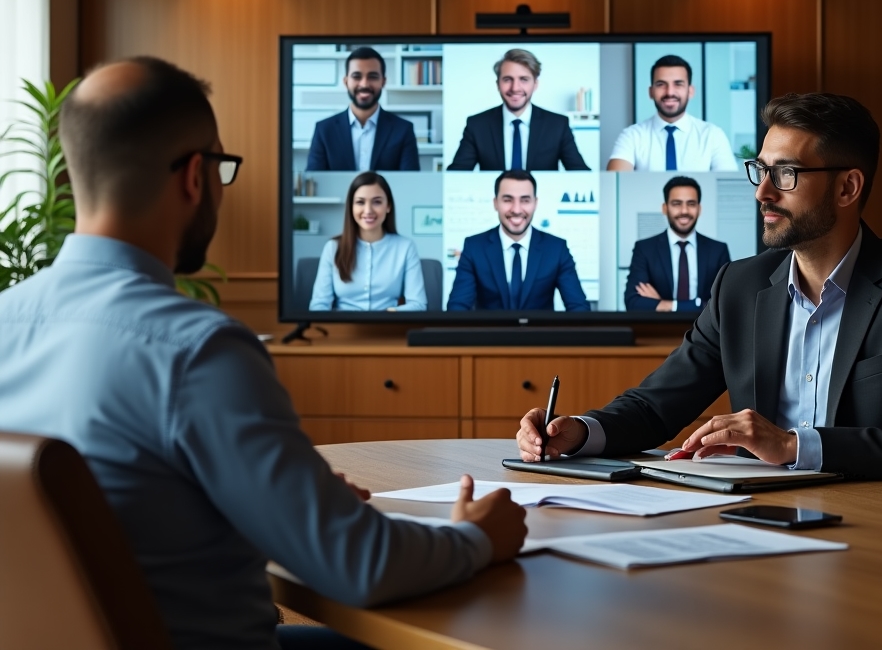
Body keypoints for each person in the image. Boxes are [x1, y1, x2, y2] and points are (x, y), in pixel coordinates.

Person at [0, 57, 527, 650]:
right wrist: (478, 536)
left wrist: (292, 492)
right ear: (195, 177)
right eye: (223, 169)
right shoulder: (198, 351)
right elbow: (360, 565)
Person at [519, 92, 882, 481]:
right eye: (761, 170)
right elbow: (656, 406)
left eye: (786, 174)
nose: (762, 193)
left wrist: (793, 445)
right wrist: (578, 431)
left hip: (867, 523)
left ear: (847, 188)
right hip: (753, 517)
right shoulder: (739, 285)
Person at [447, 170, 590, 312]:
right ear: (496, 203)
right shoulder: (474, 247)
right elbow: (457, 308)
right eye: (508, 200)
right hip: (490, 334)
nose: (516, 210)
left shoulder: (556, 249)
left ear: (535, 203)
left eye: (525, 200)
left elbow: (579, 308)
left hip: (541, 334)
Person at [447, 49, 590, 171]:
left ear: (535, 84)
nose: (515, 88)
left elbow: (580, 173)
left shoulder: (558, 125)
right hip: (495, 203)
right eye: (507, 79)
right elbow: (456, 175)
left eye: (524, 79)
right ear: (498, 84)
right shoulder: (477, 125)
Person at [309, 172, 427, 312]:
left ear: (388, 206)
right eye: (360, 202)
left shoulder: (405, 247)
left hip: (387, 327)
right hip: (344, 328)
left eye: (377, 202)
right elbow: (318, 305)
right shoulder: (333, 248)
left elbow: (418, 305)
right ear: (351, 207)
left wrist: (389, 315)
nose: (368, 210)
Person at [607, 55, 738, 172]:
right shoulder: (631, 136)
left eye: (678, 84)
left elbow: (728, 190)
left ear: (690, 91)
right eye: (661, 84)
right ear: (651, 92)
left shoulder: (713, 136)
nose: (670, 92)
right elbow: (615, 184)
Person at [624, 176, 730, 312]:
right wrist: (694, 305)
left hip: (706, 331)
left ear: (699, 208)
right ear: (665, 208)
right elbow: (633, 302)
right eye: (676, 204)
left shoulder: (718, 250)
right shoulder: (645, 249)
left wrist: (662, 304)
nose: (684, 211)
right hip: (661, 331)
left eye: (691, 204)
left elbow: (726, 302)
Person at [305, 47, 420, 172]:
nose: (364, 84)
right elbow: (314, 183)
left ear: (383, 81)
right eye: (356, 76)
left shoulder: (403, 130)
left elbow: (411, 185)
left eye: (373, 76)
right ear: (346, 81)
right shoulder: (324, 130)